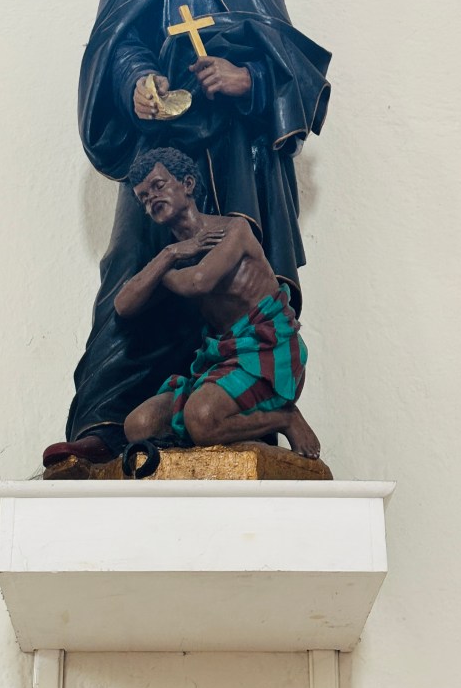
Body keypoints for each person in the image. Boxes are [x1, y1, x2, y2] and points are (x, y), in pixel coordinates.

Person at [43, 0, 331, 470]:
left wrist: (247, 79)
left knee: (238, 282)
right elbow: (114, 50)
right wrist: (135, 82)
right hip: (157, 155)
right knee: (130, 272)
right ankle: (107, 422)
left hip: (235, 157)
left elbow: (297, 73)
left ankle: (241, 412)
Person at [118, 148, 320, 459]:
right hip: (222, 359)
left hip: (269, 351)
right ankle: (214, 433)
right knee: (139, 425)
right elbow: (123, 305)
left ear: (187, 184)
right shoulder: (173, 256)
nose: (151, 198)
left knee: (201, 418)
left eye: (158, 185)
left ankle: (284, 418)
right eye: (143, 197)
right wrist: (170, 254)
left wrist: (161, 274)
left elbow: (200, 281)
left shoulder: (234, 229)